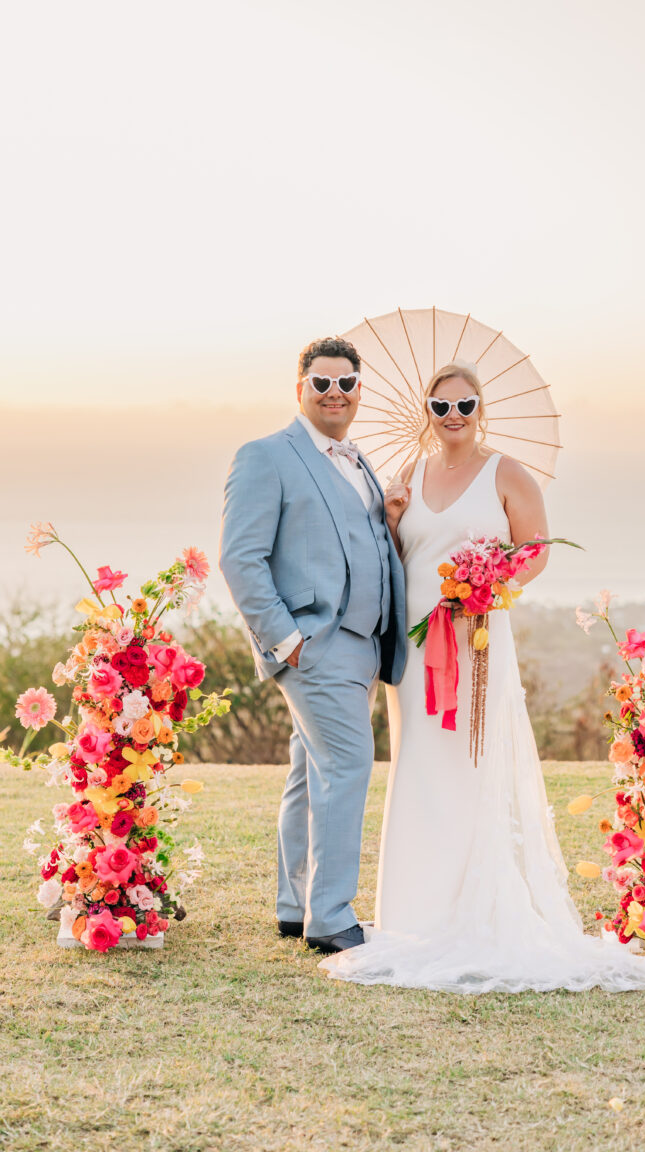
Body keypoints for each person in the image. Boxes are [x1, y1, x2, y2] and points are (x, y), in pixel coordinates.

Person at [320, 362, 645, 992]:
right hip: (417, 644)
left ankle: (476, 904)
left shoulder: (507, 472)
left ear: (480, 410)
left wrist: (490, 588)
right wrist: (393, 519)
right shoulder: (408, 474)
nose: (452, 417)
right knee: (419, 764)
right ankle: (414, 911)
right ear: (426, 410)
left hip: (479, 637)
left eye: (464, 406)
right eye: (441, 406)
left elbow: (535, 549)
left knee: (473, 762)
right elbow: (402, 555)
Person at [219, 336, 406, 953]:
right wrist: (288, 639)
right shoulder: (265, 456)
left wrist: (389, 514)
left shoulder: (357, 460)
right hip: (316, 644)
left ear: (359, 392)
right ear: (299, 387)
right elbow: (241, 557)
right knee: (348, 767)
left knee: (310, 771)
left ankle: (296, 904)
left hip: (362, 645)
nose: (334, 394)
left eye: (346, 384)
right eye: (322, 383)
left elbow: (353, 538)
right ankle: (330, 918)